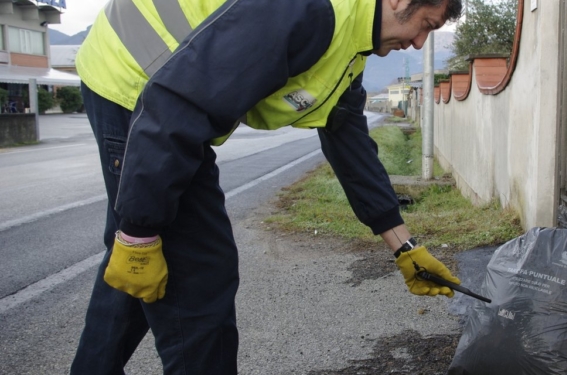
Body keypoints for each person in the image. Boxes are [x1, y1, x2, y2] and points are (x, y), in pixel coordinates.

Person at [71, 0, 463, 373]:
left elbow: (347, 136)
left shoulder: (352, 38)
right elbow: (179, 105)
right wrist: (139, 229)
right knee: (200, 281)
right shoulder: (309, 10)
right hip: (143, 88)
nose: (418, 43)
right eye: (425, 26)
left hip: (159, 93)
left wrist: (404, 247)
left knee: (139, 267)